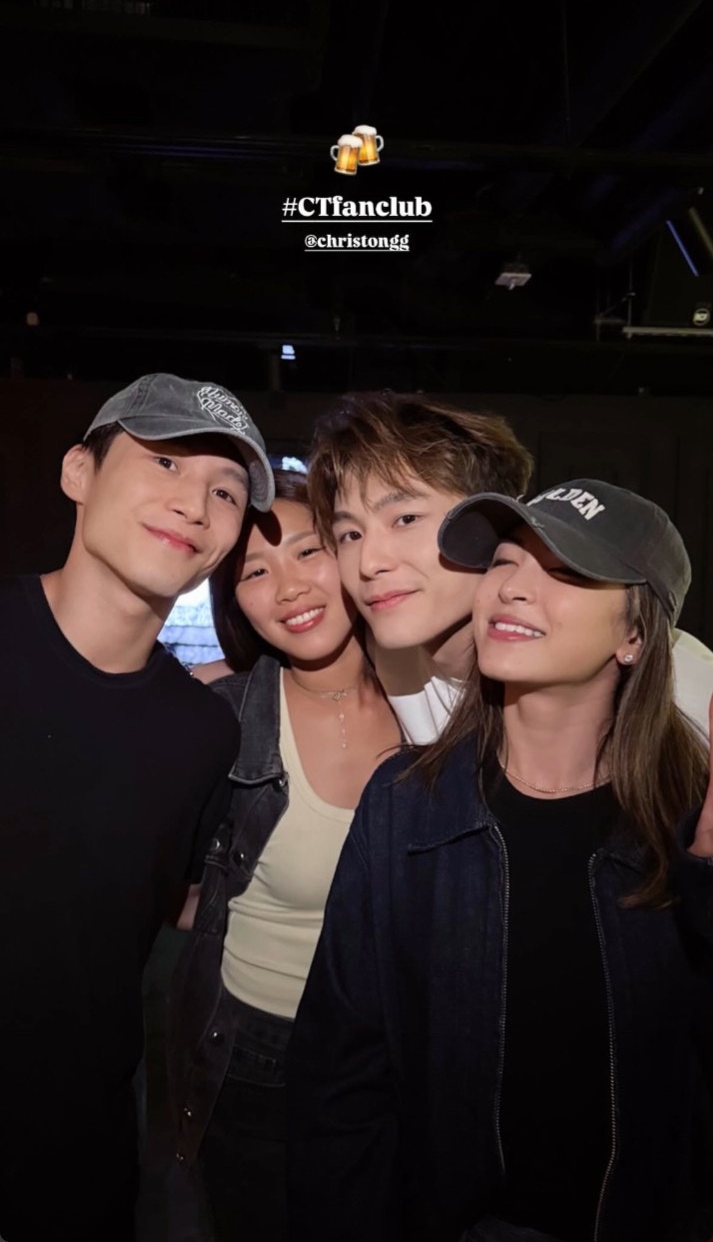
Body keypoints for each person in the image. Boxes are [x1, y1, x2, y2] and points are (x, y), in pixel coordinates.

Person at [287, 477, 713, 1242]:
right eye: (505, 561)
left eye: (565, 570)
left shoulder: (690, 827)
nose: (512, 587)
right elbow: (338, 1075)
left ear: (634, 635)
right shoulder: (404, 802)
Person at [0, 372, 274, 1242]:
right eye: (164, 462)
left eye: (225, 491)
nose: (194, 503)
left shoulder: (202, 732)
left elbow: (158, 909)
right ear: (78, 471)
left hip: (77, 1165)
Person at [167, 469, 401, 1242]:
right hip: (255, 1055)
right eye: (255, 572)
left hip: (401, 1051)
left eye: (308, 551)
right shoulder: (223, 718)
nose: (290, 587)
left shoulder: (439, 706)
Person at [307, 390, 713, 743]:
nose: (369, 563)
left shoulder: (685, 685)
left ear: (490, 521)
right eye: (350, 535)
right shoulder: (381, 649)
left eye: (406, 519)